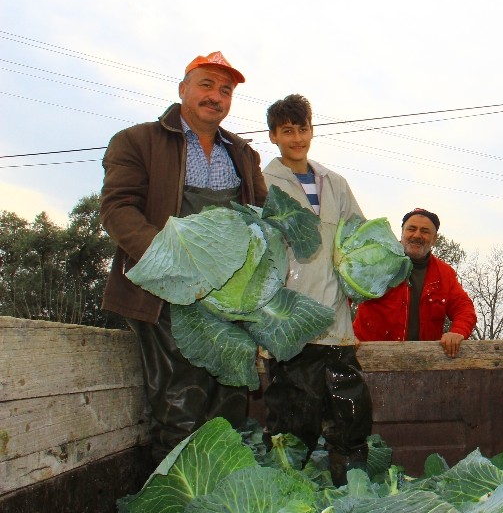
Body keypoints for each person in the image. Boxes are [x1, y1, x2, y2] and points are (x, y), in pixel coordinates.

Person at [100, 51, 267, 461]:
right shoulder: (137, 141)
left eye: (225, 90)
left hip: (228, 299)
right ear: (183, 90)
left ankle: (217, 502)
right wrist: (169, 259)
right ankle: (175, 506)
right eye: (206, 85)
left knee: (228, 405)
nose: (216, 96)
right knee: (179, 405)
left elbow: (263, 218)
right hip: (165, 293)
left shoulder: (243, 154)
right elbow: (118, 209)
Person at [261, 94, 373, 485]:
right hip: (287, 321)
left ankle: (351, 490)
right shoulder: (262, 183)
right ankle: (288, 498)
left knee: (351, 412)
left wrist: (365, 275)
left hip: (336, 321)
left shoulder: (335, 183)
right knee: (293, 417)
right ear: (273, 135)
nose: (296, 138)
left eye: (302, 128)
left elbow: (358, 237)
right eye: (287, 131)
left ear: (312, 129)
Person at [353, 208, 477, 358]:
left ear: (434, 238)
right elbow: (340, 295)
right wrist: (344, 334)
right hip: (368, 358)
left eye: (425, 231)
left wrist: (457, 331)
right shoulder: (375, 261)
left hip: (422, 363)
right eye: (411, 229)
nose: (417, 235)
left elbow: (464, 308)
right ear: (402, 232)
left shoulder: (445, 274)